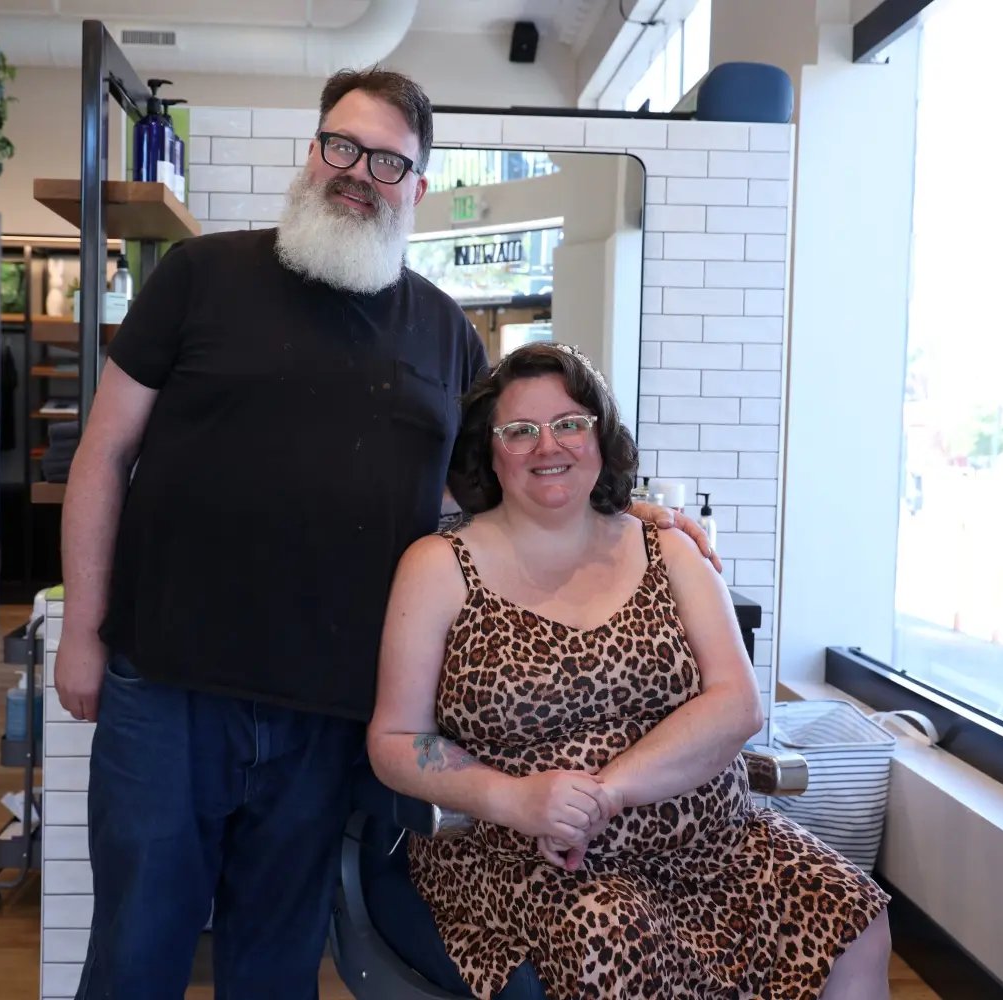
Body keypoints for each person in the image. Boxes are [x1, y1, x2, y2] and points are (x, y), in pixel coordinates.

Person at [55, 68, 716, 999]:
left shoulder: (447, 335)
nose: (358, 172)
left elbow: (512, 486)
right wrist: (83, 630)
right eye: (342, 146)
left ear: (418, 184)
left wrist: (638, 514)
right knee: (135, 955)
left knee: (276, 964)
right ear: (313, 149)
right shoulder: (200, 276)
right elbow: (102, 453)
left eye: (388, 161)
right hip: (167, 689)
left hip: (329, 715)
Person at [369, 342, 894, 1000]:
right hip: (535, 860)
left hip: (714, 843)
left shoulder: (669, 547)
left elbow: (737, 705)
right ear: (490, 450)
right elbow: (395, 741)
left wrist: (610, 792)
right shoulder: (440, 566)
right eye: (520, 431)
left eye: (569, 424)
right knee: (614, 942)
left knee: (855, 916)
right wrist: (515, 799)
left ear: (600, 436)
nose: (546, 445)